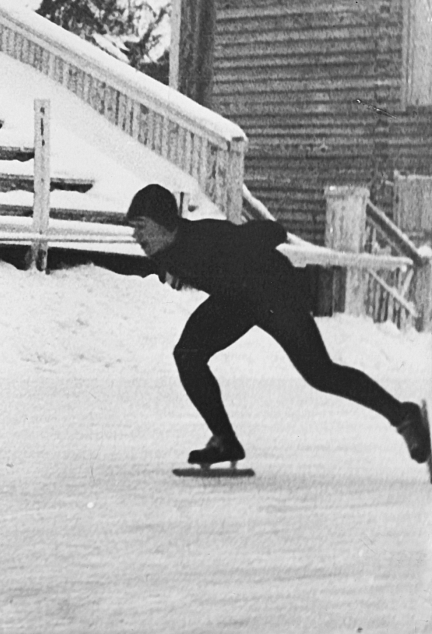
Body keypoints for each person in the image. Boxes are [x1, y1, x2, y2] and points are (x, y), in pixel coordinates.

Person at [126, 183, 430, 468]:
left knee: (319, 373)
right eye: (134, 229)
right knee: (188, 355)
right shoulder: (163, 250)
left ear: (164, 221)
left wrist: (254, 244)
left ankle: (405, 416)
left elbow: (273, 231)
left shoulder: (207, 238)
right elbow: (127, 265)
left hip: (274, 292)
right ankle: (225, 441)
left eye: (141, 227)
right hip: (235, 302)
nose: (137, 237)